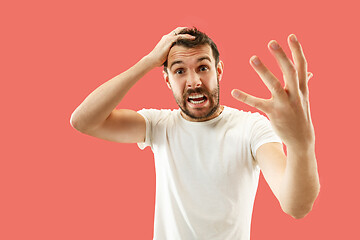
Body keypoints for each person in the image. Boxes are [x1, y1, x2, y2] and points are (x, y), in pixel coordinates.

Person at [70, 27, 320, 240]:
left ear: (218, 71)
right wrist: (148, 61)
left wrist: (301, 144)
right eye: (179, 71)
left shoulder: (252, 128)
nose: (194, 82)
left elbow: (296, 206)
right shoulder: (159, 125)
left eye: (203, 67)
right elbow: (83, 121)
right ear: (167, 80)